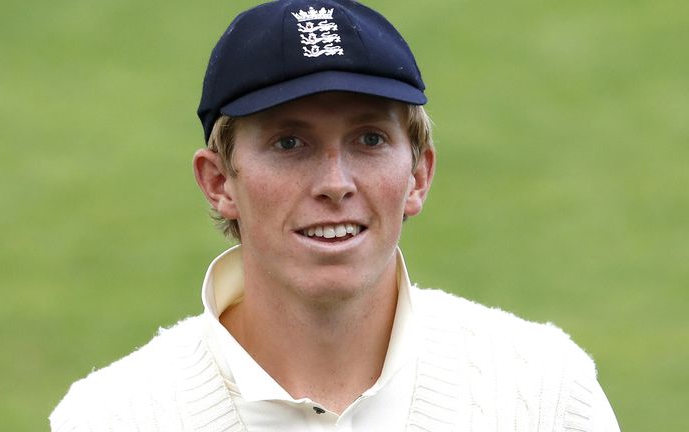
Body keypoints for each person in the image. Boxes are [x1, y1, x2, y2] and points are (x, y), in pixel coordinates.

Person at [50, 1, 620, 431]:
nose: (335, 184)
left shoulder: (544, 392)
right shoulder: (110, 416)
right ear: (220, 182)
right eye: (289, 143)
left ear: (418, 175)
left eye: (369, 139)